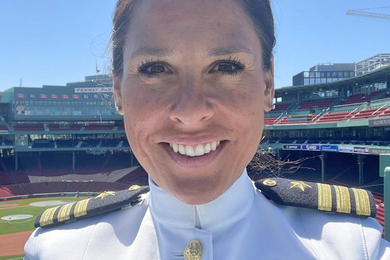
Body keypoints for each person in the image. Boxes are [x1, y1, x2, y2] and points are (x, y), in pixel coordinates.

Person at [24, 0, 390, 259]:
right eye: (155, 68)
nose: (191, 111)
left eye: (227, 67)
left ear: (267, 84)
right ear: (118, 90)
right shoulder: (55, 250)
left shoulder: (355, 248)